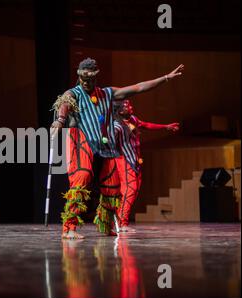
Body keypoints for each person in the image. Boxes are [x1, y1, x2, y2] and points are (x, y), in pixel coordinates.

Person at [51, 58, 184, 239]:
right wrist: (60, 120)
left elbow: (138, 87)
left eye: (89, 78)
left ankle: (106, 225)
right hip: (81, 140)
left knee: (112, 185)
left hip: (105, 145)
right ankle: (69, 228)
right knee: (82, 176)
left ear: (96, 77)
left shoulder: (108, 93)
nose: (85, 82)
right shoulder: (74, 93)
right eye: (82, 78)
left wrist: (166, 78)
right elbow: (65, 102)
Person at [113, 99, 179, 232]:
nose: (130, 107)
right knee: (130, 190)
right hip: (125, 161)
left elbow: (146, 125)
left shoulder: (132, 119)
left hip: (135, 160)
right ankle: (122, 223)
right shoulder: (117, 126)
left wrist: (166, 127)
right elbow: (109, 138)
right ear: (120, 110)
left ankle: (121, 218)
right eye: (127, 106)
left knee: (134, 191)